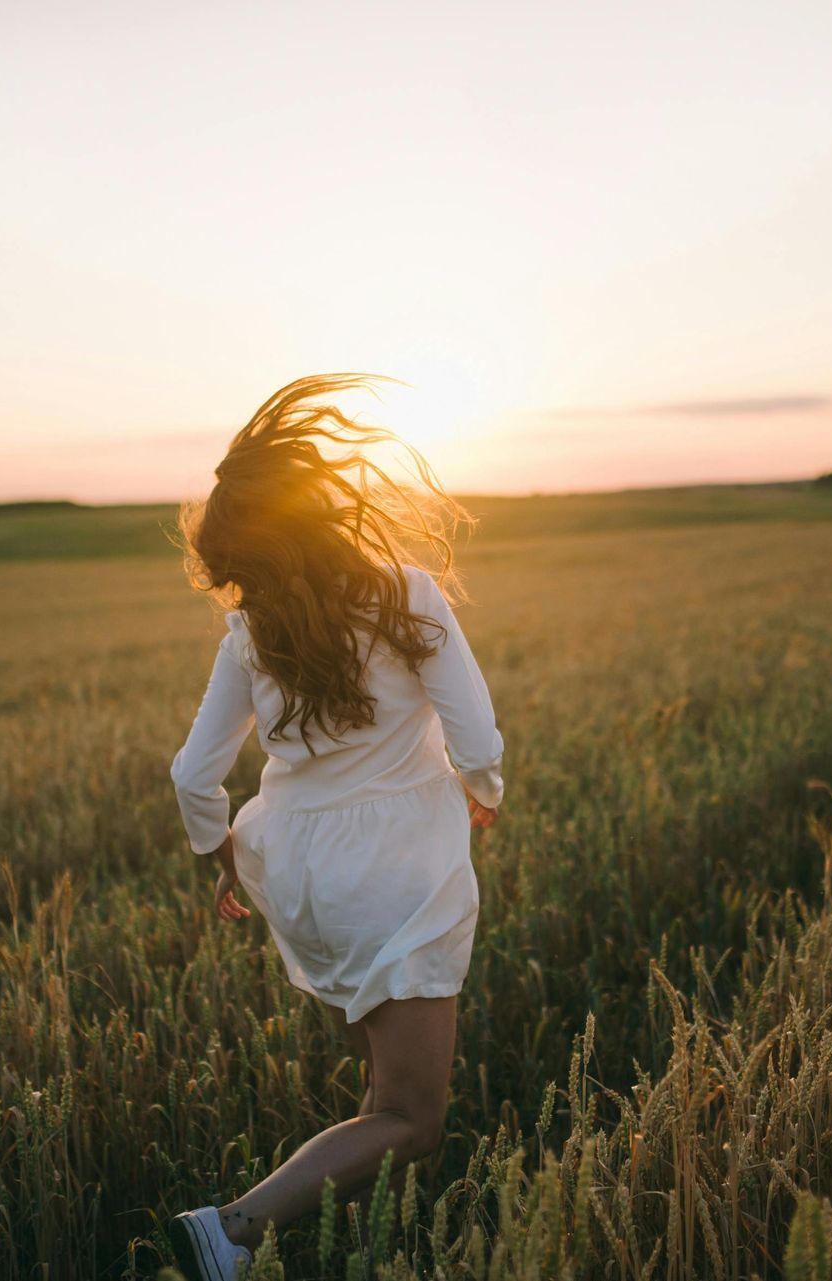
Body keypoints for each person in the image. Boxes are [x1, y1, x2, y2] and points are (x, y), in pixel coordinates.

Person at [163, 374, 504, 1279]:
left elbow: (194, 775)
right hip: (398, 868)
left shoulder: (250, 633)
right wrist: (486, 787)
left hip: (303, 872)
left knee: (380, 1093)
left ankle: (364, 1249)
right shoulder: (406, 595)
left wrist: (225, 857)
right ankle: (230, 1229)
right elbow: (476, 733)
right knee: (413, 1117)